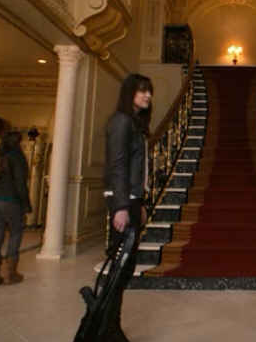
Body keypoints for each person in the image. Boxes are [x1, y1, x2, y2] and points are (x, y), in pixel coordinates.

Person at [102, 73, 153, 342]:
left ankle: (111, 325)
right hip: (123, 202)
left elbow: (136, 169)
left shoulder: (133, 123)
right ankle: (107, 327)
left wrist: (138, 201)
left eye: (149, 91)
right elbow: (118, 165)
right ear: (129, 92)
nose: (148, 95)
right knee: (120, 267)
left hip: (131, 200)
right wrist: (121, 206)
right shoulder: (121, 121)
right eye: (142, 90)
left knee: (125, 266)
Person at [0, 130, 31, 288]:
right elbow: (20, 183)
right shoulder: (16, 156)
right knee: (15, 233)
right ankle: (11, 274)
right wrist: (26, 204)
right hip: (10, 201)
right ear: (17, 143)